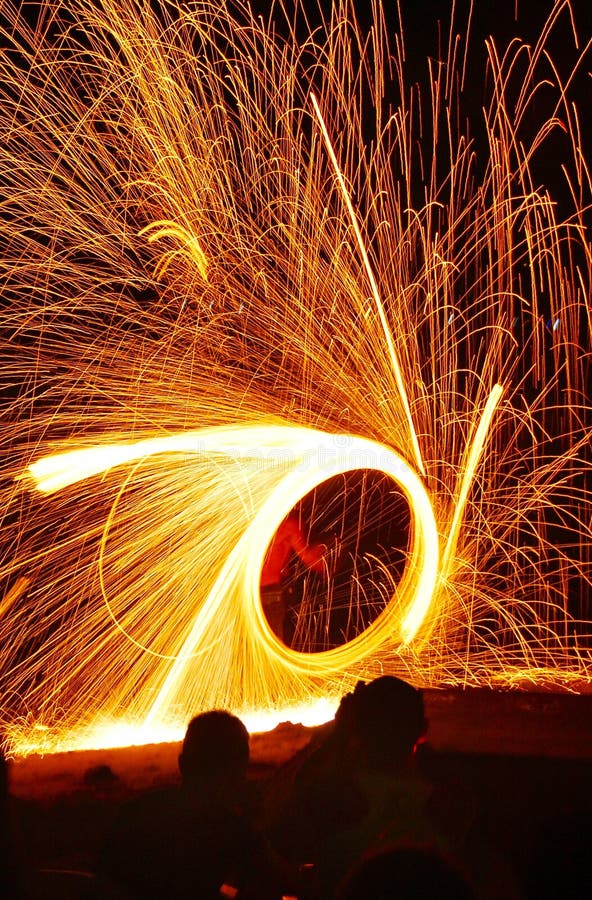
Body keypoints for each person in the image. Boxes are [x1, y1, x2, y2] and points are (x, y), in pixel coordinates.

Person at [94, 710, 292, 899]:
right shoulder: (228, 831)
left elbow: (103, 879)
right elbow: (282, 878)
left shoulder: (136, 812)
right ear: (237, 771)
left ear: (182, 764)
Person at [260, 513, 331, 641]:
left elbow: (307, 557)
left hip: (267, 595)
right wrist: (325, 566)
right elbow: (308, 558)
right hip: (264, 595)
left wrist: (325, 562)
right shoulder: (289, 524)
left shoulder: (283, 524)